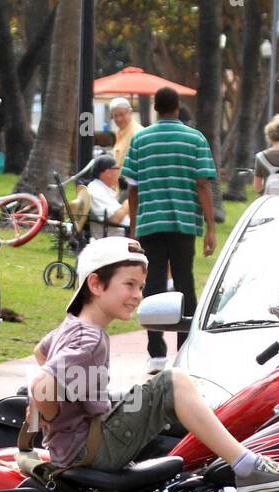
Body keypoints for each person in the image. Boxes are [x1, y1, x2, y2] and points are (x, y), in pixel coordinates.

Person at [27, 237, 279, 492]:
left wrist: (64, 413)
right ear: (96, 284)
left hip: (76, 445)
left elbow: (42, 352)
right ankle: (248, 466)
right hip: (90, 450)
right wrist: (46, 413)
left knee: (163, 389)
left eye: (139, 286)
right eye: (128, 284)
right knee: (173, 382)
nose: (138, 294)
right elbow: (41, 384)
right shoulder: (90, 338)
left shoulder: (74, 327)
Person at [121, 86, 217, 375]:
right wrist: (210, 227)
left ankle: (156, 353)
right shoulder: (195, 138)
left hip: (150, 223)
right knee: (185, 281)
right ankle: (185, 348)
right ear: (177, 107)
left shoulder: (141, 140)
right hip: (184, 222)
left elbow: (132, 189)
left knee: (152, 287)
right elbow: (203, 184)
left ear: (156, 109)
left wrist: (134, 229)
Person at [85, 155, 130, 237]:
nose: (120, 172)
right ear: (107, 172)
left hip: (123, 232)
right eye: (117, 168)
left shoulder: (104, 189)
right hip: (117, 236)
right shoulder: (95, 189)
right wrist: (129, 203)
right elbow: (114, 219)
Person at [110, 97, 144, 169]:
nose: (119, 119)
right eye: (115, 116)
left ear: (130, 112)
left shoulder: (137, 133)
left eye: (122, 114)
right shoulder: (120, 132)